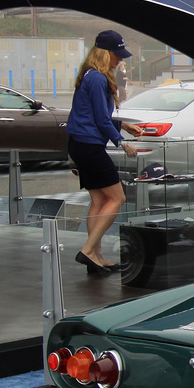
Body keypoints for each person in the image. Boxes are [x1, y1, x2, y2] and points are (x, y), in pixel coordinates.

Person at [66, 30, 144, 275]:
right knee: (117, 198)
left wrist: (123, 125)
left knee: (99, 200)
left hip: (79, 143)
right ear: (104, 52)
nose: (119, 60)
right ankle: (88, 250)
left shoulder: (87, 75)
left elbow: (91, 114)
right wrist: (122, 141)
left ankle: (96, 257)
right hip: (90, 146)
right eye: (116, 55)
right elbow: (100, 118)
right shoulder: (99, 78)